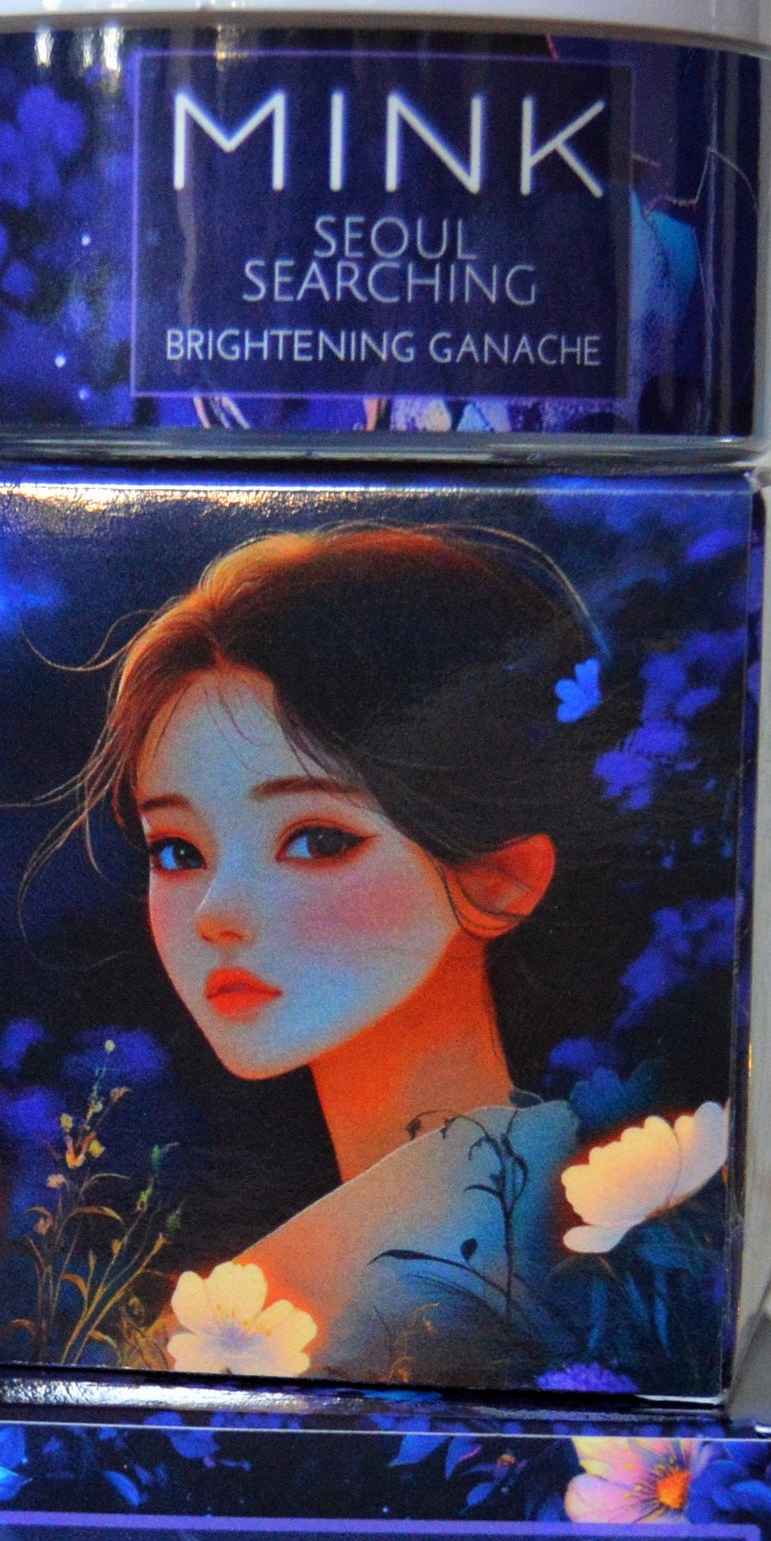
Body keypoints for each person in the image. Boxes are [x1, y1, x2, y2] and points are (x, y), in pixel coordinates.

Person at [71, 525, 613, 1379]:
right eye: (177, 850)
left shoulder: (552, 1235)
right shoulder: (540, 1189)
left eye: (316, 840)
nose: (216, 912)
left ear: (502, 875)